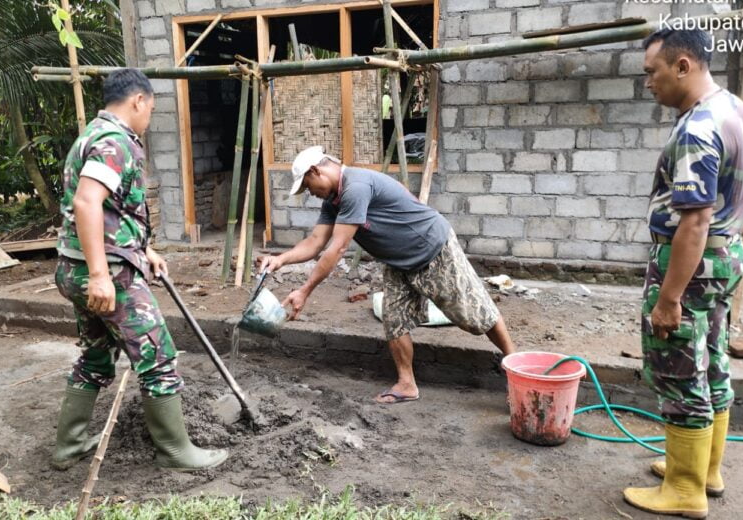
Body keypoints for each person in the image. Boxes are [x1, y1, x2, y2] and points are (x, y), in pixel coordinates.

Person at [52, 69, 227, 471]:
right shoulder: (115, 142)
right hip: (107, 274)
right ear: (138, 101)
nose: (149, 117)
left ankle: (70, 445)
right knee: (158, 356)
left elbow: (113, 209)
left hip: (75, 267)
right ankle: (176, 452)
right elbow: (87, 203)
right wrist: (100, 273)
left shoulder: (92, 134)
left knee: (96, 356)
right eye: (151, 107)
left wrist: (143, 249)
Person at [258, 146, 517, 404]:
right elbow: (315, 242)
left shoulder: (355, 187)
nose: (310, 194)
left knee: (476, 313)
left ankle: (517, 370)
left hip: (431, 248)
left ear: (316, 171)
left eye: (307, 186)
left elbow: (337, 248)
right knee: (395, 320)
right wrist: (280, 259)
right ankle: (406, 384)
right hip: (398, 260)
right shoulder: (332, 201)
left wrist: (304, 291)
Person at [623, 29, 743, 518]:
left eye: (651, 73)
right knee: (713, 360)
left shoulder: (698, 128)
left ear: (682, 66)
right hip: (726, 257)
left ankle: (683, 488)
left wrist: (669, 297)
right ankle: (706, 470)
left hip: (692, 266)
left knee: (679, 371)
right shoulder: (733, 108)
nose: (648, 84)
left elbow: (694, 221)